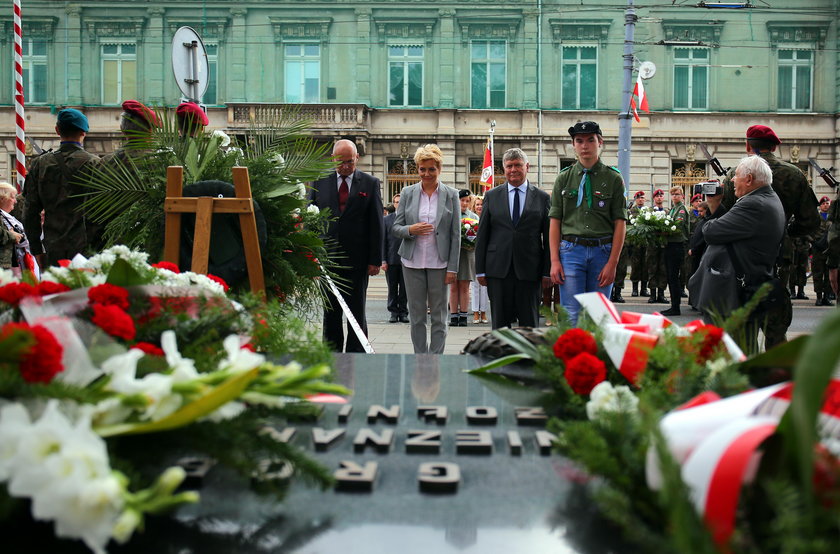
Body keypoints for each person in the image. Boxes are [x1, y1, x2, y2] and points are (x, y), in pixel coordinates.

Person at [721, 124, 819, 348]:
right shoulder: (794, 175)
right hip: (778, 254)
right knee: (775, 324)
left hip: (740, 256)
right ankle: (775, 375)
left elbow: (724, 217)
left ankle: (746, 374)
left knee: (743, 322)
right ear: (774, 146)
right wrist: (785, 232)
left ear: (747, 145)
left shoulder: (735, 175)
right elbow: (811, 221)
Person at [692, 156, 785, 352]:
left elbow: (710, 232)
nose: (732, 180)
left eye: (736, 176)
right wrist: (715, 206)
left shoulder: (754, 204)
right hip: (739, 289)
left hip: (732, 295)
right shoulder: (765, 198)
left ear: (749, 179)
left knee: (730, 353)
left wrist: (712, 215)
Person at [309, 139, 384, 353]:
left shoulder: (370, 183)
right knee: (330, 312)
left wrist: (375, 259)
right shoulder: (319, 181)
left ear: (357, 159)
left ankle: (357, 356)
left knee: (356, 312)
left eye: (349, 162)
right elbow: (310, 222)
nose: (345, 167)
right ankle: (331, 355)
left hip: (357, 261)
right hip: (327, 259)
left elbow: (376, 224)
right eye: (340, 162)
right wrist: (310, 257)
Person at [548, 121, 626, 326]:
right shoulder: (563, 179)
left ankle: (596, 358)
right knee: (571, 314)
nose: (585, 146)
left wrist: (613, 263)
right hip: (571, 251)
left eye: (590, 140)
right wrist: (555, 260)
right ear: (573, 145)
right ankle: (572, 358)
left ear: (600, 142)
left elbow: (620, 223)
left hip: (602, 252)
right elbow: (555, 221)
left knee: (598, 317)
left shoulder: (613, 178)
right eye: (579, 141)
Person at [391, 144, 460, 353]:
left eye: (431, 169)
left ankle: (435, 358)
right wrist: (411, 229)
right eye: (422, 169)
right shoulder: (408, 193)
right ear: (417, 169)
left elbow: (456, 234)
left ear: (439, 168)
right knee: (417, 315)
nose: (427, 174)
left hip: (440, 263)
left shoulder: (451, 194)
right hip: (412, 262)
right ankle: (420, 357)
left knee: (439, 316)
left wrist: (453, 268)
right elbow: (395, 227)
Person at [476, 148, 550, 329]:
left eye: (518, 165)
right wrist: (480, 270)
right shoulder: (492, 196)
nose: (513, 170)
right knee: (500, 325)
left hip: (530, 270)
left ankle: (527, 357)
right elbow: (483, 235)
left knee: (530, 324)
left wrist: (547, 270)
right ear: (504, 169)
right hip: (498, 269)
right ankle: (501, 356)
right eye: (509, 166)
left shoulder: (542, 198)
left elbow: (548, 238)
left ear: (527, 167)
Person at [23, 108, 100, 268]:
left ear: (57, 130)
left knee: (54, 291)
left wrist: (36, 250)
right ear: (84, 132)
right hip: (87, 248)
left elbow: (30, 211)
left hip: (52, 248)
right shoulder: (95, 164)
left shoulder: (40, 164)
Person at [449, 189, 478, 326]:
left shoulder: (474, 217)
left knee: (465, 286)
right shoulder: (450, 215)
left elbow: (478, 235)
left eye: (467, 201)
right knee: (453, 286)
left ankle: (464, 316)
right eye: (462, 200)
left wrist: (471, 240)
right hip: (453, 254)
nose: (465, 203)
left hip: (467, 253)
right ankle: (454, 316)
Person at [660, 186, 689, 316]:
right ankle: (673, 305)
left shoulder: (681, 210)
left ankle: (675, 307)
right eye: (673, 194)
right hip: (670, 245)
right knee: (671, 277)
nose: (675, 197)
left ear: (682, 196)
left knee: (674, 277)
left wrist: (664, 231)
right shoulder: (673, 209)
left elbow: (677, 226)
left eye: (677, 194)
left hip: (676, 245)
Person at [0, 182, 38, 279]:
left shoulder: (7, 216)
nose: (15, 201)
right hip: (7, 266)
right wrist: (12, 235)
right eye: (12, 197)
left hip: (17, 262)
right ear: (2, 198)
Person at [382, 193, 408, 323]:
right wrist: (383, 260)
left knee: (405, 289)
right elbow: (383, 241)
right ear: (394, 204)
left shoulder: (409, 218)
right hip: (391, 259)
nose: (399, 204)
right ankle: (393, 312)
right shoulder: (387, 219)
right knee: (392, 288)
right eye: (396, 202)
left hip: (406, 260)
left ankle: (403, 312)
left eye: (401, 201)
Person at [645, 189, 668, 304]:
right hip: (652, 245)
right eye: (657, 196)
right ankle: (652, 294)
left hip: (663, 244)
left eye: (661, 196)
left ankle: (661, 294)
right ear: (654, 198)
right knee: (652, 268)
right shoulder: (649, 211)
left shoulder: (667, 211)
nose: (659, 198)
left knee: (663, 269)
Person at [470, 195, 489, 324]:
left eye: (481, 204)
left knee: (485, 285)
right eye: (477, 204)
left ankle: (484, 311)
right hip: (473, 254)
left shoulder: (489, 217)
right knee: (475, 284)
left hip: (487, 255)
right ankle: (475, 312)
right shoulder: (470, 220)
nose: (479, 207)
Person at [812, 196, 833, 306]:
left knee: (829, 274)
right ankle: (819, 297)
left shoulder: (833, 218)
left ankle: (827, 297)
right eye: (823, 204)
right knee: (818, 274)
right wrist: (814, 242)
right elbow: (809, 231)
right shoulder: (815, 218)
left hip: (829, 250)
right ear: (820, 206)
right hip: (817, 250)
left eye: (827, 203)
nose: (825, 205)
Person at [628, 191, 649, 298]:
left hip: (646, 242)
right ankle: (635, 289)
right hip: (635, 243)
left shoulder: (648, 211)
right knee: (635, 265)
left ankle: (644, 289)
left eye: (642, 198)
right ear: (636, 199)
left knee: (645, 265)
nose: (641, 200)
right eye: (639, 198)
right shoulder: (631, 211)